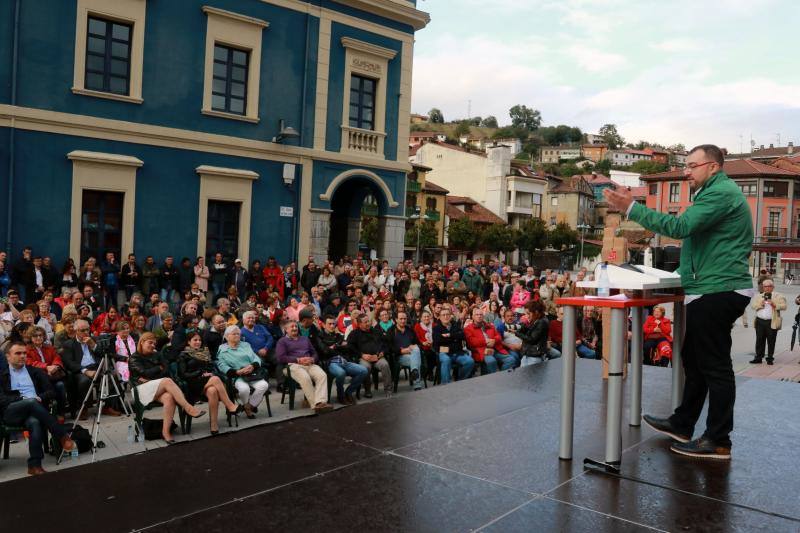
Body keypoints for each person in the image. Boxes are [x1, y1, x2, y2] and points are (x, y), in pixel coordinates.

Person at [605, 144, 754, 460]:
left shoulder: (720, 193)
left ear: (712, 166)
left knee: (714, 366)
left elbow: (680, 227)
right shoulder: (713, 192)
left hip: (719, 289)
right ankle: (683, 423)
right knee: (694, 360)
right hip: (711, 287)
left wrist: (632, 208)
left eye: (692, 165)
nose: (686, 171)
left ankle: (718, 439)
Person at [1, 341, 75, 475]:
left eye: (24, 353)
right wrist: (25, 400)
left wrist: (40, 397)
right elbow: (2, 399)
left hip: (35, 411)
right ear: (8, 356)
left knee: (34, 422)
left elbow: (51, 391)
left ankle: (34, 465)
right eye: (18, 353)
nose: (23, 356)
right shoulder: (2, 374)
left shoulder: (34, 371)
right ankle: (61, 435)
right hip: (11, 412)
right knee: (30, 402)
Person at [129, 333, 205, 443]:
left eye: (154, 343)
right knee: (167, 381)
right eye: (150, 343)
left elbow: (166, 369)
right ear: (142, 342)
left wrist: (154, 373)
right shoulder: (134, 358)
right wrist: (158, 368)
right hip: (141, 390)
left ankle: (166, 432)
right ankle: (188, 408)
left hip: (158, 386)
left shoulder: (157, 355)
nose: (153, 345)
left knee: (169, 397)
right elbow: (145, 372)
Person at [178, 331, 240, 434]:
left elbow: (211, 367)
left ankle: (214, 425)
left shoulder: (205, 352)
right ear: (189, 342)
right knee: (215, 379)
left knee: (212, 391)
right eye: (195, 340)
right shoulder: (183, 355)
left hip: (207, 382)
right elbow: (183, 375)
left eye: (199, 340)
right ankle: (230, 405)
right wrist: (200, 373)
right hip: (192, 384)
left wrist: (208, 373)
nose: (198, 342)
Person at [275, 321, 333, 413]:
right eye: (292, 327)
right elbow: (281, 358)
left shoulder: (304, 339)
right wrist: (298, 360)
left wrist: (312, 359)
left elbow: (314, 352)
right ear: (286, 330)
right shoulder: (282, 341)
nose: (295, 328)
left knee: (322, 375)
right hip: (292, 366)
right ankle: (316, 405)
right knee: (305, 377)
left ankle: (321, 401)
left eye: (296, 326)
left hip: (309, 364)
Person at [311, 314, 367, 405]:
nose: (332, 326)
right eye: (329, 324)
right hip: (331, 362)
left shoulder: (338, 335)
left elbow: (347, 348)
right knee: (341, 373)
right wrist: (338, 346)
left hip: (343, 360)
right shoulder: (319, 336)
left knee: (363, 370)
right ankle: (340, 395)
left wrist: (334, 347)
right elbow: (325, 351)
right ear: (324, 325)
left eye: (334, 324)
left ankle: (348, 392)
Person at [216, 325, 269, 419]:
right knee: (244, 389)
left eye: (238, 334)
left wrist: (252, 366)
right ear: (227, 336)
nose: (237, 336)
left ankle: (249, 406)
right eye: (234, 334)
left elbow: (256, 358)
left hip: (252, 373)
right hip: (237, 376)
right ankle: (247, 407)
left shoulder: (245, 345)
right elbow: (221, 365)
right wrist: (237, 372)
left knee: (264, 385)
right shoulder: (222, 349)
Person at [347, 313, 392, 398]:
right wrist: (362, 355)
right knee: (365, 368)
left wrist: (382, 352)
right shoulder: (354, 334)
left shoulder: (376, 331)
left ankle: (388, 390)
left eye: (369, 321)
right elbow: (350, 347)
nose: (368, 323)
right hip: (364, 358)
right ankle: (367, 390)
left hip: (377, 357)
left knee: (385, 365)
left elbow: (386, 344)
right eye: (365, 322)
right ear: (359, 324)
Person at [25, 326, 67, 414]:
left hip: (52, 376)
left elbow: (57, 357)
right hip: (38, 380)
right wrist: (46, 367)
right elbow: (30, 363)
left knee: (60, 385)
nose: (39, 338)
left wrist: (55, 366)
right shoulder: (27, 349)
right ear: (30, 338)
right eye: (35, 336)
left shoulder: (49, 347)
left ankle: (61, 412)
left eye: (40, 335)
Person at [463, 308, 515, 373]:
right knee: (491, 361)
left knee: (511, 359)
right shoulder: (468, 328)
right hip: (482, 351)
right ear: (473, 317)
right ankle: (494, 379)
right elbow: (472, 342)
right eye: (477, 315)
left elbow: (499, 336)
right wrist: (486, 341)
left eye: (481, 314)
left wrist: (494, 340)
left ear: (483, 316)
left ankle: (501, 376)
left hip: (496, 349)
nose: (479, 316)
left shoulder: (489, 325)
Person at [749, 279, 786, 365]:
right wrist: (760, 304)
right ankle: (758, 357)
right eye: (765, 286)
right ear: (763, 287)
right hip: (760, 321)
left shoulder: (778, 296)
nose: (767, 288)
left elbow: (784, 306)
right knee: (759, 340)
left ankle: (770, 358)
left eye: (769, 286)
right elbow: (753, 306)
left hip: (771, 322)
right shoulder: (759, 296)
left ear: (773, 287)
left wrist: (774, 304)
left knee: (771, 340)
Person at [433, 307, 473, 384]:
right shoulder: (436, 328)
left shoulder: (455, 325)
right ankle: (445, 384)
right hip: (443, 351)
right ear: (440, 317)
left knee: (470, 361)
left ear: (450, 316)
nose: (445, 317)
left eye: (447, 314)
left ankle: (461, 381)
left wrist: (449, 335)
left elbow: (462, 336)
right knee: (446, 360)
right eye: (443, 315)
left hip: (457, 352)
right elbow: (438, 341)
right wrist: (454, 338)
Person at [392, 311, 423, 390]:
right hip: (400, 357)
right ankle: (417, 384)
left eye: (405, 319)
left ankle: (414, 371)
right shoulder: (391, 331)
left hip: (412, 354)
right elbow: (389, 348)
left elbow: (418, 343)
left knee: (416, 350)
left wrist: (414, 346)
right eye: (401, 319)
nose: (403, 321)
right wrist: (401, 351)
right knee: (416, 358)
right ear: (396, 319)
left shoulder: (410, 330)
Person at [517, 301, 550, 366]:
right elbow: (530, 331)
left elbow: (531, 339)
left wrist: (517, 333)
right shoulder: (536, 319)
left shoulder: (542, 322)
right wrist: (522, 326)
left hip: (534, 357)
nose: (527, 316)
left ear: (536, 312)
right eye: (526, 313)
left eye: (528, 313)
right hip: (529, 355)